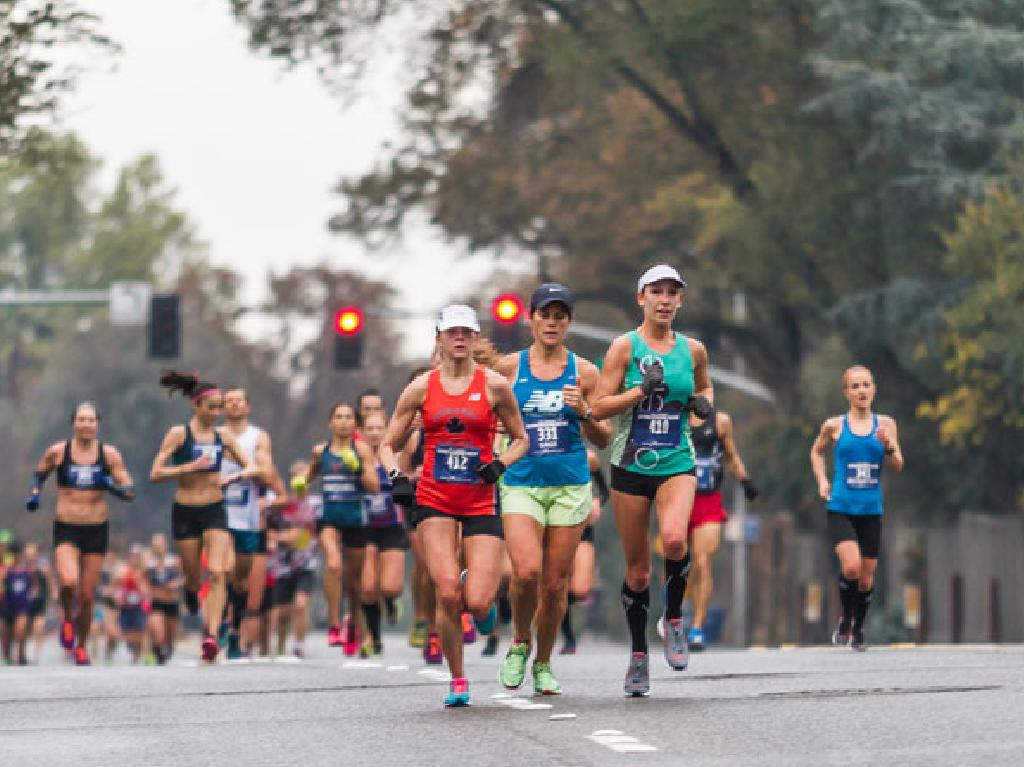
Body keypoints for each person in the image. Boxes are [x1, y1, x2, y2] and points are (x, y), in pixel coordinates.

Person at [380, 304, 528, 707]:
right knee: (447, 592)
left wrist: (499, 464)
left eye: (467, 332)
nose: (460, 338)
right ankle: (458, 679)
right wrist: (397, 478)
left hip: (480, 501)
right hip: (434, 501)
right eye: (452, 332)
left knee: (478, 601)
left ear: (476, 338)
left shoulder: (495, 386)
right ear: (439, 338)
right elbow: (387, 444)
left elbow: (521, 439)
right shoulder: (422, 388)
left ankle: (483, 609)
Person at [591, 265, 713, 696]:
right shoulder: (624, 347)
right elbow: (598, 408)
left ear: (681, 300)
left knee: (677, 541)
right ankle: (639, 653)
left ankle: (674, 617)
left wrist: (701, 406)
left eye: (672, 293)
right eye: (656, 292)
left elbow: (705, 390)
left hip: (677, 461)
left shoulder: (694, 349)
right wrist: (640, 392)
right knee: (639, 573)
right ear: (640, 297)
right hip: (629, 467)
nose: (664, 300)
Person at [494, 283, 612, 695]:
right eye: (545, 314)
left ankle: (543, 661)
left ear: (569, 322)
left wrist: (585, 410)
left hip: (569, 484)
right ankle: (519, 642)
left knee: (555, 584)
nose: (551, 322)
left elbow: (603, 437)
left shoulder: (586, 372)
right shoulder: (509, 369)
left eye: (560, 316)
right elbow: (491, 422)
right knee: (526, 573)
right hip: (522, 482)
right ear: (531, 319)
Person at [149, 371, 261, 663]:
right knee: (195, 577)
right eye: (211, 407)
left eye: (219, 407)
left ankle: (211, 636)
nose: (217, 413)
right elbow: (156, 473)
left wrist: (235, 476)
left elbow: (252, 467)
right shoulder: (179, 435)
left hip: (214, 509)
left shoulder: (222, 437)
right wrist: (188, 467)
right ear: (196, 406)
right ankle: (189, 589)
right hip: (186, 510)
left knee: (218, 572)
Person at [27, 402, 135, 665]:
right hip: (66, 526)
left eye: (91, 420)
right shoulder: (58, 452)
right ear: (73, 423)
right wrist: (35, 494)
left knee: (87, 596)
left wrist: (110, 485)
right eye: (81, 420)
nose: (86, 424)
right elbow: (39, 474)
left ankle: (82, 645)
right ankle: (66, 616)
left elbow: (130, 490)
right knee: (68, 582)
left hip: (96, 529)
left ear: (98, 424)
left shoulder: (108, 455)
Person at [810, 365, 904, 651]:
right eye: (855, 386)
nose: (862, 391)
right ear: (846, 392)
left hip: (871, 510)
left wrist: (888, 447)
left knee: (865, 578)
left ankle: (858, 628)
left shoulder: (886, 425)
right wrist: (822, 480)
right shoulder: (834, 426)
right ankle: (846, 618)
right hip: (841, 506)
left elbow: (898, 465)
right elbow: (817, 451)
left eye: (866, 385)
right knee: (850, 567)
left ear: (874, 389)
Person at [304, 402, 379, 655]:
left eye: (349, 417)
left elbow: (375, 487)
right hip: (329, 518)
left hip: (356, 519)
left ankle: (354, 624)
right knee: (334, 565)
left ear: (355, 424)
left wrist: (357, 468)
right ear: (331, 423)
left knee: (355, 584)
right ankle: (334, 624)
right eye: (339, 417)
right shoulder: (320, 451)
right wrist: (300, 483)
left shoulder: (363, 451)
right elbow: (308, 476)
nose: (344, 421)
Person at [685, 407, 758, 651]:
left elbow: (731, 455)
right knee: (680, 564)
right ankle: (674, 615)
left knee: (703, 562)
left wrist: (745, 480)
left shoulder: (721, 421)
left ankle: (697, 629)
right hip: (677, 500)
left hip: (708, 501)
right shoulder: (673, 417)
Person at [221, 387, 280, 660]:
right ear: (222, 407)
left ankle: (234, 632)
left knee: (240, 581)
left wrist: (239, 467)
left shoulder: (258, 437)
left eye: (239, 400)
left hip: (247, 519)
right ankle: (219, 626)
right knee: (221, 571)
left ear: (247, 406)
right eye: (228, 401)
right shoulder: (214, 435)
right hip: (218, 517)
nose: (234, 404)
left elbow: (267, 475)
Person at [360, 412, 408, 657]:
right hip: (365, 528)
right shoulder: (356, 457)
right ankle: (375, 636)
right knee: (368, 588)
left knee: (390, 587)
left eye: (380, 428)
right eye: (370, 428)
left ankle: (390, 602)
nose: (375, 433)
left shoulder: (395, 456)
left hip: (392, 526)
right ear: (363, 431)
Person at [269, 463, 320, 658]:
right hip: (283, 564)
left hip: (307, 563)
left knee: (300, 605)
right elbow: (269, 528)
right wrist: (283, 538)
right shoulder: (283, 504)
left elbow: (324, 529)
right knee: (283, 613)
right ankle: (281, 643)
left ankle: (299, 645)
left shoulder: (316, 504)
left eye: (305, 477)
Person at [561, 449, 608, 655]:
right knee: (557, 585)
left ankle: (552, 603)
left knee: (581, 590)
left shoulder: (589, 458)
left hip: (582, 528)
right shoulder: (542, 454)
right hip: (553, 527)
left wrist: (598, 501)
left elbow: (604, 490)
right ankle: (569, 637)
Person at [145, 533, 183, 664]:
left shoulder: (174, 562)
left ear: (165, 546)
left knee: (169, 637)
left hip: (172, 603)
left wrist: (175, 584)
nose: (158, 548)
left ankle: (166, 649)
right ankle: (157, 652)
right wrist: (147, 591)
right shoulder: (149, 564)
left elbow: (185, 578)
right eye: (155, 546)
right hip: (157, 603)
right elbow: (142, 580)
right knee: (159, 633)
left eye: (160, 545)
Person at [116, 544, 149, 664]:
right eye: (133, 556)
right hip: (126, 606)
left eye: (137, 556)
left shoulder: (143, 572)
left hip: (138, 606)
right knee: (127, 634)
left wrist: (139, 581)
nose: (135, 558)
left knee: (139, 632)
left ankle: (137, 656)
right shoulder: (123, 570)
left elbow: (146, 590)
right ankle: (132, 649)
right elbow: (117, 586)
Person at [3, 542, 32, 665]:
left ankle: (21, 655)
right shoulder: (5, 571)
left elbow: (33, 586)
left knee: (20, 630)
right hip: (7, 605)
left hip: (22, 605)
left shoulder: (27, 571)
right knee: (6, 633)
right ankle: (8, 656)